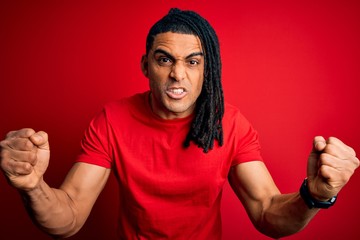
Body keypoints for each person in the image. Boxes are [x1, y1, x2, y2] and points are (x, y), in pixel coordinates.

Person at [0, 8, 359, 239]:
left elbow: (267, 213)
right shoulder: (111, 119)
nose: (177, 74)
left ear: (208, 70)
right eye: (164, 59)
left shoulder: (230, 124)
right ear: (145, 66)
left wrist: (316, 195)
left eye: (192, 62)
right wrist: (32, 186)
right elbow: (70, 217)